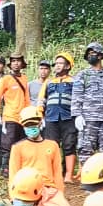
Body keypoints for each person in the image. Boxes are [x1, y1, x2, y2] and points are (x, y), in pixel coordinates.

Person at [9, 105, 64, 195]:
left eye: (33, 124)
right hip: (26, 189)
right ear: (23, 126)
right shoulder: (17, 147)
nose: (31, 127)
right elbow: (13, 174)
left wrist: (60, 194)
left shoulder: (52, 145)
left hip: (48, 189)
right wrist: (13, 196)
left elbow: (57, 173)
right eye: (27, 125)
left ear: (40, 123)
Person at [41, 52, 77, 183]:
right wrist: (40, 116)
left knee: (69, 144)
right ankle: (52, 174)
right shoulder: (49, 82)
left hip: (69, 118)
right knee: (51, 146)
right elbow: (41, 100)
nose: (57, 66)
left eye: (60, 63)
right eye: (56, 63)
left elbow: (78, 99)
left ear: (68, 66)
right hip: (51, 117)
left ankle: (68, 175)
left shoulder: (74, 82)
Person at [0, 54, 30, 175]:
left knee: (22, 143)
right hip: (9, 116)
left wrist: (29, 115)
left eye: (18, 61)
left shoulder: (24, 78)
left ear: (22, 64)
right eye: (13, 61)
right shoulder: (5, 79)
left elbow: (27, 98)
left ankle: (18, 167)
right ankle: (6, 168)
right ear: (10, 64)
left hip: (22, 117)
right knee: (8, 143)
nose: (16, 63)